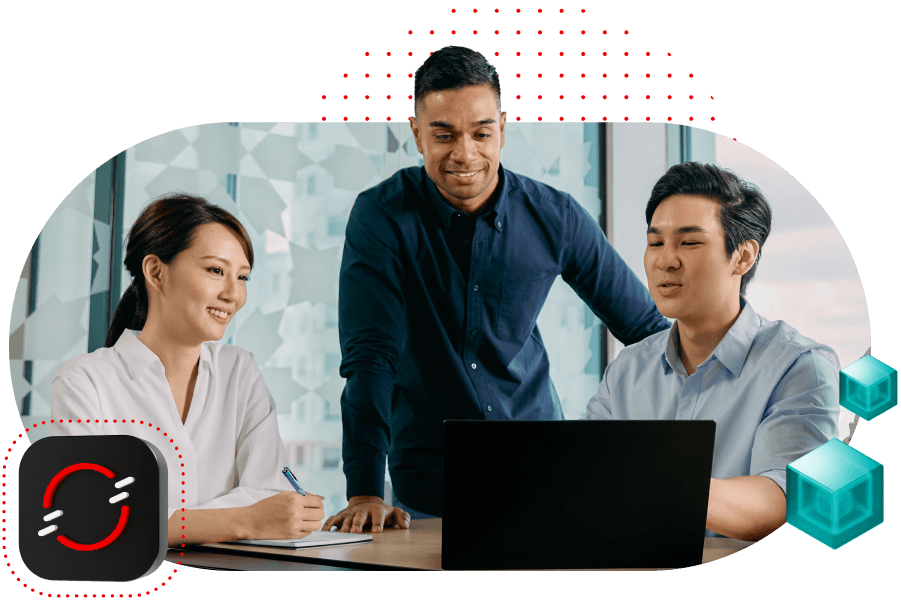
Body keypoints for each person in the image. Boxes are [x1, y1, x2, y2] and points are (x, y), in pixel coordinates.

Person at [324, 46, 671, 533]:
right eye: (444, 135)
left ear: (503, 130)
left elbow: (647, 332)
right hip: (430, 478)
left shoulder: (555, 216)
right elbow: (370, 358)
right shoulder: (381, 216)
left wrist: (681, 451)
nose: (465, 153)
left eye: (481, 133)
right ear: (417, 134)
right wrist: (364, 491)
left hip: (541, 464)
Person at [583, 162, 841, 541]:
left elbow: (780, 500)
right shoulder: (627, 370)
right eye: (655, 243)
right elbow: (585, 483)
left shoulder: (800, 366)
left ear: (743, 256)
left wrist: (641, 478)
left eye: (689, 242)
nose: (665, 260)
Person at [50, 193, 325, 547]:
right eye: (216, 271)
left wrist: (158, 521)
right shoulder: (84, 382)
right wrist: (246, 519)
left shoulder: (239, 370)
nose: (233, 294)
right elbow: (88, 520)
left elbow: (267, 490)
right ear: (156, 271)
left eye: (242, 277)